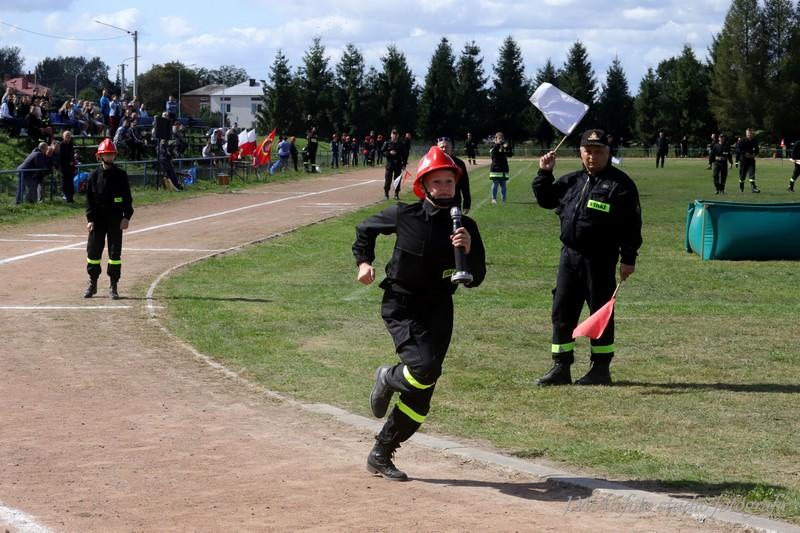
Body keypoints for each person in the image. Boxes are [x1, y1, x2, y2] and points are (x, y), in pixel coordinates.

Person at [352, 145, 486, 481]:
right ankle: (387, 377)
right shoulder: (404, 215)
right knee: (423, 369)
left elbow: (477, 278)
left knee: (422, 395)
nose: (444, 188)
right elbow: (365, 229)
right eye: (437, 181)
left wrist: (469, 251)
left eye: (449, 182)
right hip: (403, 305)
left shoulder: (465, 226)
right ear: (423, 185)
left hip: (440, 309)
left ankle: (381, 453)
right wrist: (364, 262)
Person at [532, 129, 642, 386]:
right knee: (562, 311)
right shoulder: (572, 181)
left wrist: (628, 258)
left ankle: (600, 368)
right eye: (588, 151)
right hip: (569, 257)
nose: (592, 156)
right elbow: (546, 199)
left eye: (598, 151)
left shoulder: (621, 185)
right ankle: (561, 366)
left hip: (600, 259)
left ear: (608, 152)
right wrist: (544, 173)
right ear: (580, 153)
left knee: (600, 313)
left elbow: (631, 225)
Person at [84, 139, 134, 300]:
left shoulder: (121, 175)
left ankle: (113, 286)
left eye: (112, 154)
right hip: (98, 220)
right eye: (107, 154)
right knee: (93, 253)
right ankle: (92, 283)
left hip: (115, 220)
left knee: (114, 254)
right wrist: (90, 219)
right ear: (100, 156)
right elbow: (89, 200)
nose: (110, 157)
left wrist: (126, 217)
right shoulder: (94, 176)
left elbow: (127, 198)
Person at [438, 136, 471, 214]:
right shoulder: (432, 164)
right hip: (436, 203)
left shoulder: (459, 163)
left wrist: (467, 203)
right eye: (442, 147)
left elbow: (465, 185)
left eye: (447, 147)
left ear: (451, 148)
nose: (444, 149)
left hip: (454, 202)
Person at [489, 131, 513, 204]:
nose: (501, 139)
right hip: (495, 168)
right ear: (496, 139)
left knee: (504, 185)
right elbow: (492, 152)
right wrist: (498, 144)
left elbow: (510, 155)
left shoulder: (504, 146)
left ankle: (504, 200)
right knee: (495, 184)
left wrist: (509, 147)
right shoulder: (493, 145)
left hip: (504, 168)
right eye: (499, 138)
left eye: (502, 138)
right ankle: (494, 199)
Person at [381, 129, 405, 200]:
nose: (394, 135)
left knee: (397, 180)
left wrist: (404, 164)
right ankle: (386, 195)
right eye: (393, 134)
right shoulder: (387, 143)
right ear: (391, 135)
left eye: (396, 134)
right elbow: (382, 152)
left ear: (398, 135)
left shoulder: (401, 144)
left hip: (398, 164)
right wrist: (389, 153)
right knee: (388, 180)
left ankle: (396, 194)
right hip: (390, 164)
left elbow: (404, 155)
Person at [738, 128, 760, 193]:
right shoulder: (742, 141)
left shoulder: (754, 141)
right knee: (742, 175)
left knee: (752, 173)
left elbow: (757, 149)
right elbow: (737, 149)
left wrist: (755, 153)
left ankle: (753, 188)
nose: (749, 134)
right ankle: (741, 186)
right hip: (743, 160)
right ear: (746, 134)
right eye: (748, 133)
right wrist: (745, 153)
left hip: (751, 160)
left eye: (750, 133)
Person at [59, 131, 77, 203]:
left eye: (69, 136)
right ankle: (66, 197)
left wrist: (72, 162)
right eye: (67, 136)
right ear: (63, 137)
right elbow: (61, 157)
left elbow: (72, 155)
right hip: (64, 167)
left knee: (71, 183)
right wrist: (67, 163)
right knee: (65, 183)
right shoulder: (61, 145)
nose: (68, 138)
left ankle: (71, 198)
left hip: (71, 167)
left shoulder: (71, 145)